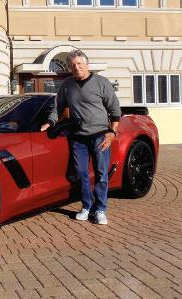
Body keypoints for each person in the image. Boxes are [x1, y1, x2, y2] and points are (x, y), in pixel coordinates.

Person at [41, 49, 121, 225]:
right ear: (69, 68)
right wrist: (50, 122)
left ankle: (100, 209)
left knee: (101, 173)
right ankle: (86, 206)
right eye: (72, 65)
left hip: (100, 135)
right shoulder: (68, 85)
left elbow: (115, 110)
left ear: (87, 65)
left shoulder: (101, 83)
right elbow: (58, 106)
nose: (76, 68)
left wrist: (112, 132)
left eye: (79, 64)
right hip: (78, 137)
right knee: (81, 173)